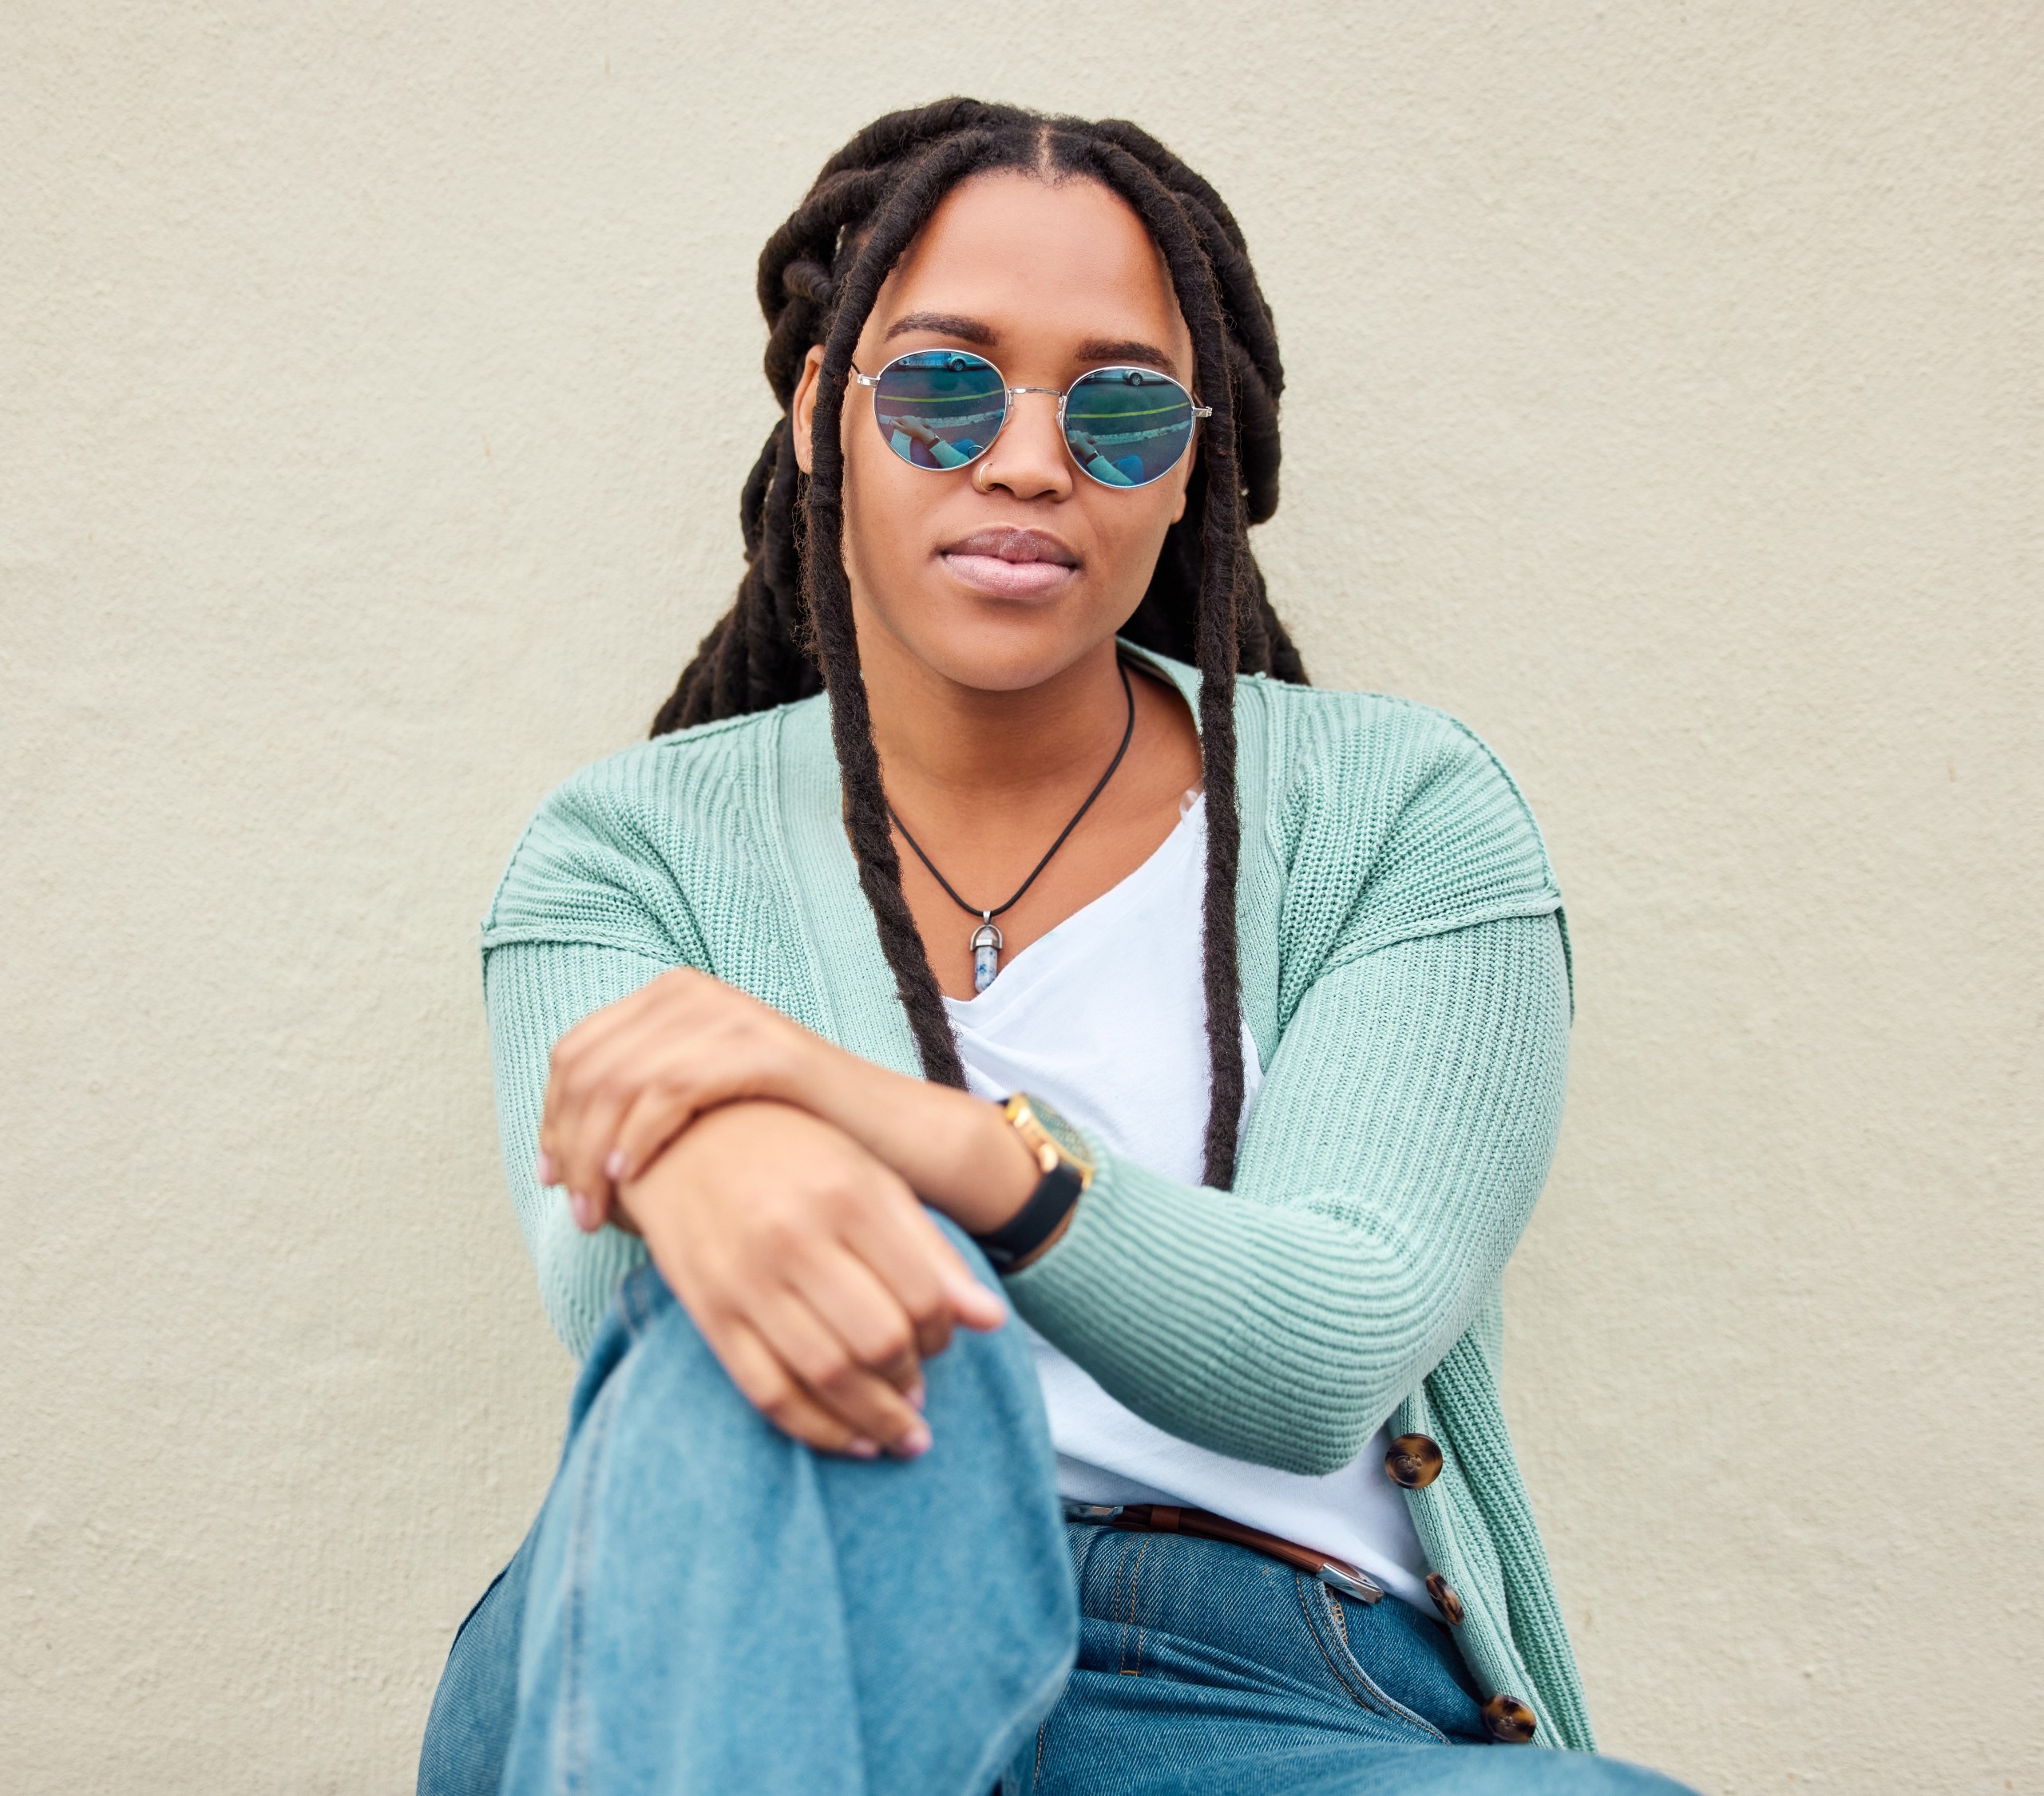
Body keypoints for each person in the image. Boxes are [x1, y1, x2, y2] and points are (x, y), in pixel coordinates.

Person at [419, 99, 1697, 1796]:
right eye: (945, 389)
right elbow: (613, 1298)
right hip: (792, 1607)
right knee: (737, 1357)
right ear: (822, 420)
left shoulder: (1400, 812)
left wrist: (898, 1126)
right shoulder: (627, 850)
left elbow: (1330, 1342)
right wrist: (709, 1174)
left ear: (1193, 469)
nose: (1025, 459)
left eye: (1116, 410)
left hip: (1277, 1696)